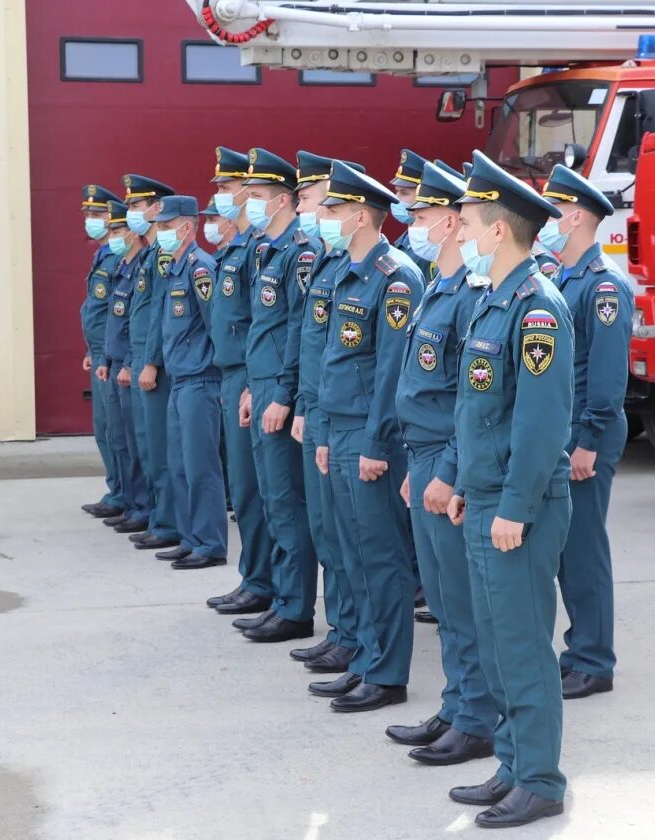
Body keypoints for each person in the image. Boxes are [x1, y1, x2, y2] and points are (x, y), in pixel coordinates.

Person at [446, 150, 571, 828]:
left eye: (466, 221)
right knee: (497, 643)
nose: (459, 232)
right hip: (486, 496)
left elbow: (540, 421)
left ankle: (542, 780)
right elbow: (478, 411)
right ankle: (514, 766)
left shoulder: (537, 308)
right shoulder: (493, 302)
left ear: (499, 231)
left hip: (519, 505)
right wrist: (469, 484)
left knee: (522, 646)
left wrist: (517, 506)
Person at [386, 161, 497, 766]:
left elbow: (468, 399)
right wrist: (418, 463)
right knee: (442, 597)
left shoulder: (470, 298)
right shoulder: (438, 285)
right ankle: (457, 703)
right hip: (423, 454)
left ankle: (477, 716)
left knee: (460, 596)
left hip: (446, 460)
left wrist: (449, 468)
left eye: (424, 215)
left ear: (454, 222)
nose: (413, 223)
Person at [308, 161, 424, 713]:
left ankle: (388, 672)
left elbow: (390, 372)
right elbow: (334, 360)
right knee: (352, 552)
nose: (323, 218)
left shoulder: (395, 277)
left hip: (372, 433)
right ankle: (364, 658)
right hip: (341, 425)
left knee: (381, 556)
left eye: (331, 210)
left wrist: (377, 443)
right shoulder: (341, 270)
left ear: (359, 215)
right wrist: (327, 431)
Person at [536, 165, 634, 700]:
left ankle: (594, 660)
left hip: (584, 435)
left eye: (553, 209)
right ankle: (579, 651)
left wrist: (589, 442)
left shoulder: (603, 286)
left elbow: (606, 375)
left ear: (574, 215)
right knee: (566, 549)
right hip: (565, 431)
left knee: (583, 549)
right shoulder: (563, 277)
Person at [285, 151, 366, 674]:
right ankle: (342, 628)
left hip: (352, 421)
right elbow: (311, 345)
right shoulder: (328, 263)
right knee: (328, 530)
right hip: (321, 411)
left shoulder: (383, 274)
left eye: (315, 203)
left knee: (357, 541)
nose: (310, 212)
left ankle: (359, 637)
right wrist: (303, 404)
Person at [235, 148, 319, 643]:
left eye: (260, 197)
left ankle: (295, 605)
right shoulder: (267, 249)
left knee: (287, 500)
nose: (252, 205)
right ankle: (283, 597)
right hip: (262, 381)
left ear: (285, 200)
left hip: (279, 388)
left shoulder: (300, 252)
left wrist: (283, 394)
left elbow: (296, 329)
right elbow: (261, 329)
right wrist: (253, 385)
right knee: (270, 496)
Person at [200, 148, 278, 614]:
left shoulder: (259, 251)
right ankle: (254, 575)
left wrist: (253, 381)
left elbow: (260, 324)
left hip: (252, 377)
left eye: (229, 190)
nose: (223, 199)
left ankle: (265, 582)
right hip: (235, 375)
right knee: (246, 488)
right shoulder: (238, 249)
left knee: (258, 490)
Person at [153, 195, 229, 570]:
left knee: (202, 467)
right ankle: (190, 537)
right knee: (180, 465)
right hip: (180, 381)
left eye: (166, 227)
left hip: (201, 381)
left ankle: (210, 543)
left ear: (185, 227)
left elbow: (215, 326)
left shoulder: (201, 269)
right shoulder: (176, 269)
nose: (160, 233)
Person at [120, 174, 183, 552]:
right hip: (142, 357)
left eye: (137, 206)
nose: (132, 214)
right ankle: (159, 517)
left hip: (155, 365)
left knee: (161, 450)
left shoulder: (162, 256)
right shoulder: (148, 254)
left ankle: (168, 521)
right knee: (147, 446)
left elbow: (163, 314)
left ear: (157, 207)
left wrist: (152, 361)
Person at [95, 200, 150, 533]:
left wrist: (129, 362)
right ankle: (130, 499)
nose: (112, 235)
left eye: (117, 229)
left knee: (137, 442)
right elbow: (111, 320)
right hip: (114, 362)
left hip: (131, 366)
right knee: (118, 437)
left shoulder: (142, 266)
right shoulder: (122, 266)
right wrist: (105, 357)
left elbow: (140, 323)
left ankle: (142, 505)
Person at [78, 185, 127, 521]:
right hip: (99, 353)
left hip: (111, 356)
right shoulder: (102, 255)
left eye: (98, 215)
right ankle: (117, 490)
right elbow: (96, 309)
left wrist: (106, 353)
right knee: (105, 429)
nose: (91, 221)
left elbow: (116, 312)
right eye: (88, 215)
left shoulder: (116, 256)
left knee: (117, 430)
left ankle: (125, 494)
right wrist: (90, 348)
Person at [389, 148, 434, 280]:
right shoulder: (403, 240)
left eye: (404, 193)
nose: (396, 198)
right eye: (396, 191)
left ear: (422, 196)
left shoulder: (428, 245)